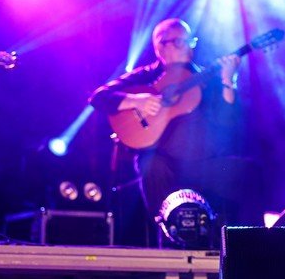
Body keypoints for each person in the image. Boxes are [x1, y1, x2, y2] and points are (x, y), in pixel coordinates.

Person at [89, 18, 262, 245]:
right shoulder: (146, 77)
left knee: (249, 171)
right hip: (165, 164)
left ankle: (249, 249)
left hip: (205, 164)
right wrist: (136, 100)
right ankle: (169, 242)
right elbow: (99, 97)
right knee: (151, 165)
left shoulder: (206, 78)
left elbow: (229, 121)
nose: (188, 47)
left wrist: (229, 82)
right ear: (161, 47)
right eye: (180, 42)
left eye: (190, 41)